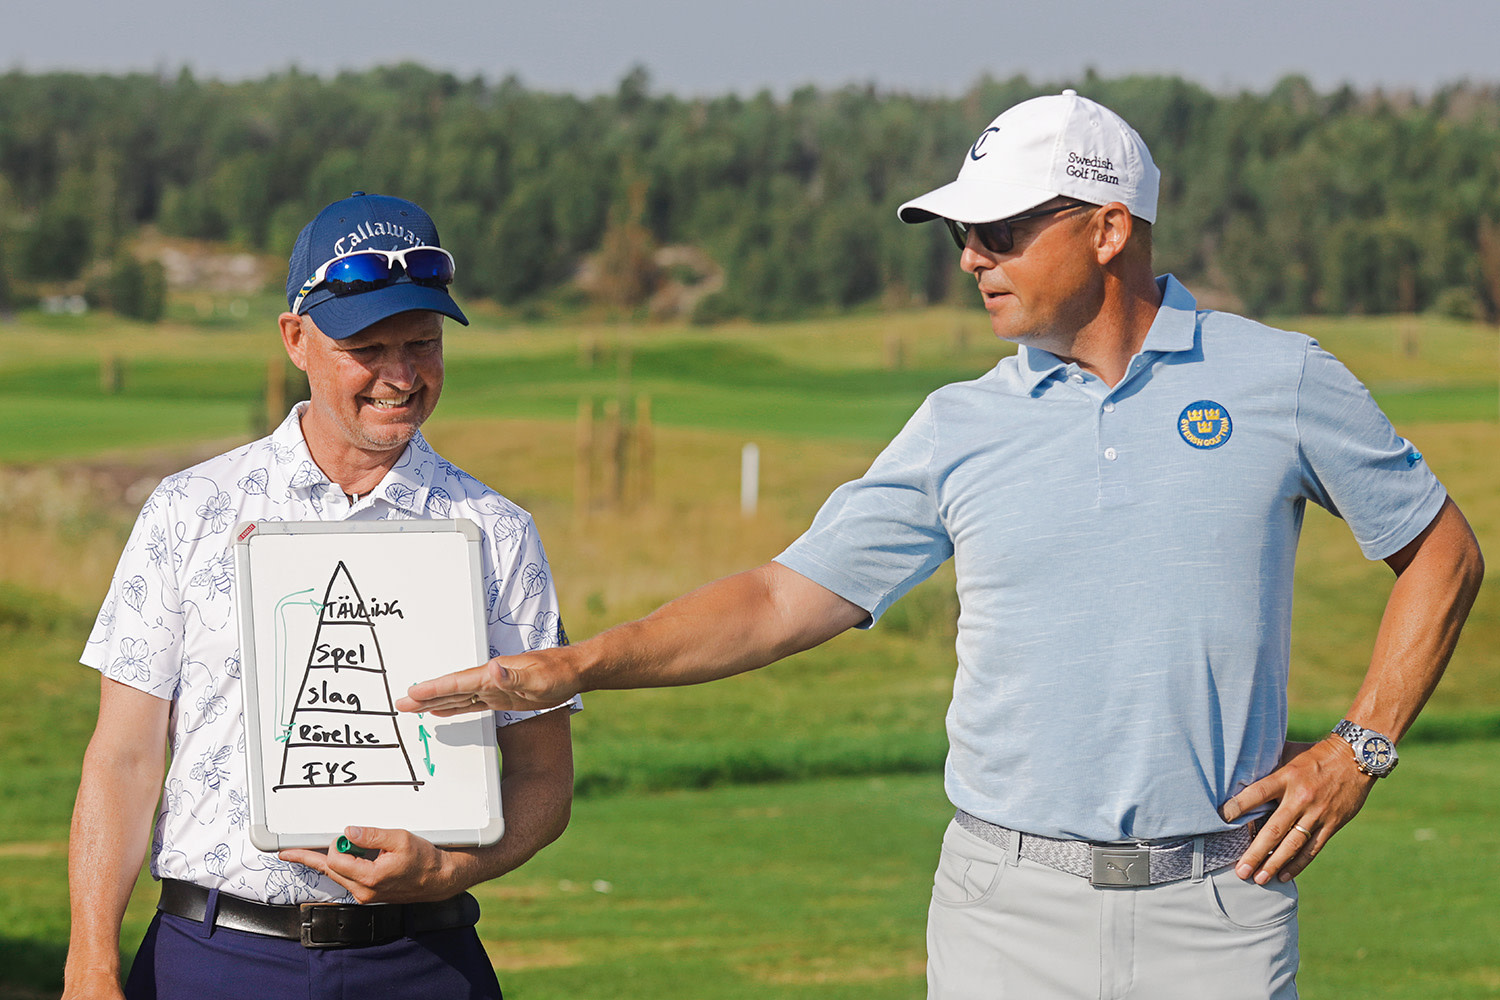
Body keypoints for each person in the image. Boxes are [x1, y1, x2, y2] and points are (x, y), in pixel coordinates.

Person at [398, 92, 1485, 999]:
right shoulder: (960, 424)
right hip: (1003, 909)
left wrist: (1361, 747)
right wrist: (576, 665)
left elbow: (1441, 551)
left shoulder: (1281, 378)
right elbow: (783, 599)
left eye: (1003, 230)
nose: (972, 257)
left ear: (1109, 229)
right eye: (966, 234)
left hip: (1222, 906)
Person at [65, 193, 576, 1000]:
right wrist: (89, 963)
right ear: (295, 339)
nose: (401, 377)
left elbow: (544, 780)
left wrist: (453, 867)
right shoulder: (189, 509)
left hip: (423, 962)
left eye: (423, 343)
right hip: (212, 957)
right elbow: (123, 760)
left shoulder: (498, 532)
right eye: (368, 347)